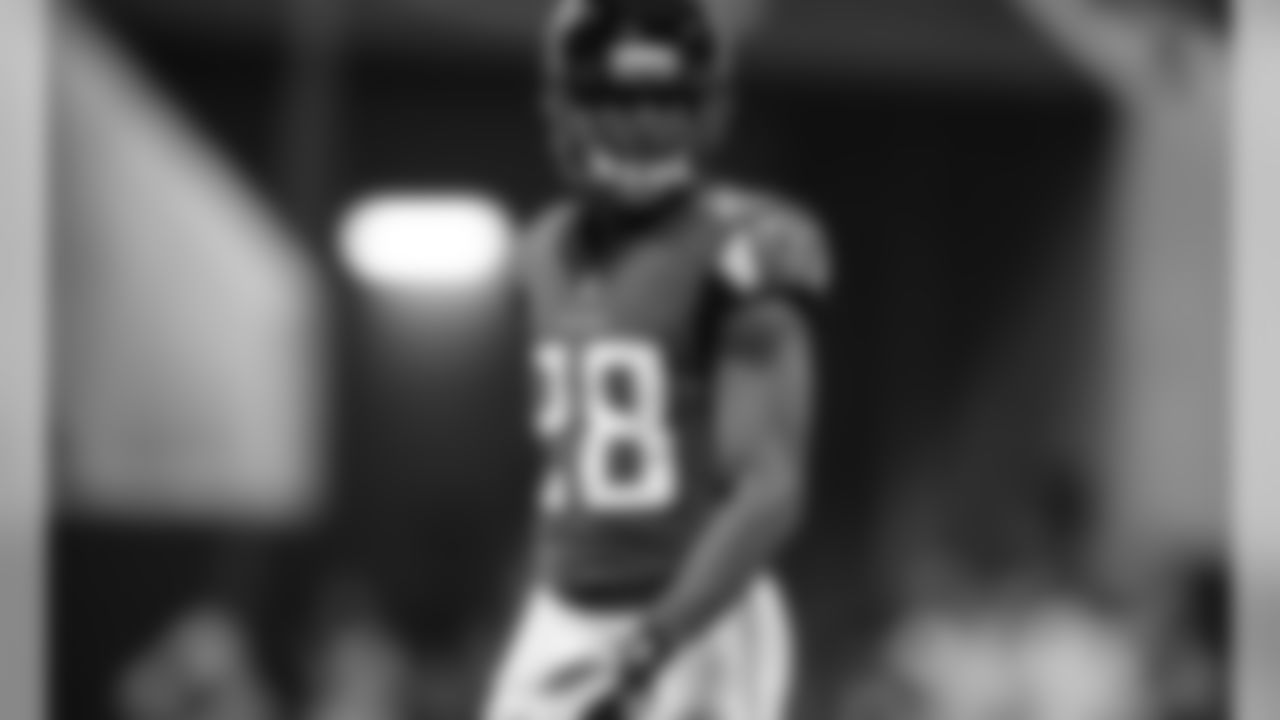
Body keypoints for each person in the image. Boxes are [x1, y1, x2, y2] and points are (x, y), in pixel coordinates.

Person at [484, 1, 831, 719]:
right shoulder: (540, 252)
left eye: (667, 103)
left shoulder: (742, 252)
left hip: (698, 616)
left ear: (707, 111)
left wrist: (654, 641)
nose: (643, 127)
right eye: (618, 101)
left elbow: (769, 491)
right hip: (565, 610)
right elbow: (565, 478)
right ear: (566, 104)